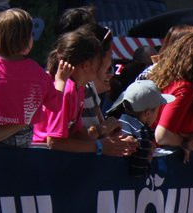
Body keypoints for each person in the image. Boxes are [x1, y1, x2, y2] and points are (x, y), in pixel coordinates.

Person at [33, 27, 136, 157]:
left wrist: (116, 142)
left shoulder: (80, 88)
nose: (103, 65)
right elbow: (54, 142)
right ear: (86, 65)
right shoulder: (67, 92)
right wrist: (100, 147)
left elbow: (76, 133)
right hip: (42, 160)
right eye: (99, 60)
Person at [0, 8, 68, 146]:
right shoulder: (38, 73)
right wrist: (61, 81)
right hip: (23, 140)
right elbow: (55, 105)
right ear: (27, 41)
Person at [148, 31, 193, 153]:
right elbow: (162, 136)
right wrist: (186, 142)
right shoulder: (184, 88)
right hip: (161, 160)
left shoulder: (165, 78)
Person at [107, 78, 176, 176]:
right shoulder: (142, 133)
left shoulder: (117, 121)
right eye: (157, 110)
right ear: (148, 113)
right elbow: (138, 171)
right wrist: (148, 158)